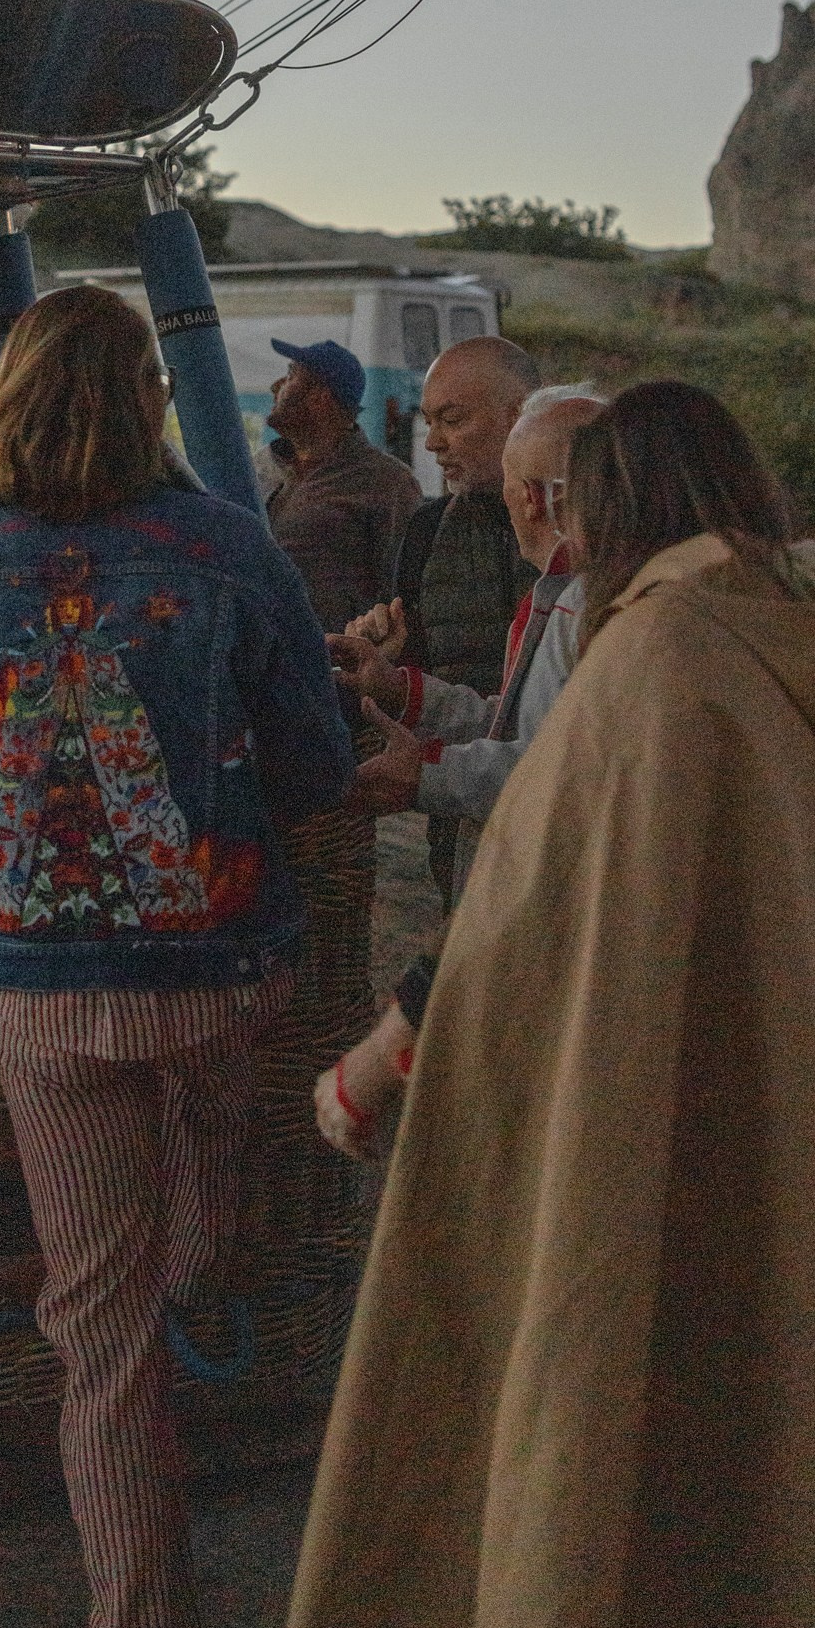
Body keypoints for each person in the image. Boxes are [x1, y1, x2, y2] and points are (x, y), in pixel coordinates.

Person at [263, 381, 815, 1628]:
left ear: (615, 501)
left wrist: (366, 1078)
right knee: (776, 1550)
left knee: (588, 1540)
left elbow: (522, 930)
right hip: (794, 1184)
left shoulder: (660, 660)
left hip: (632, 1182)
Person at [0, 284, 351, 1628]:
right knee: (197, 1191)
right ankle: (202, 1259)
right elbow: (313, 765)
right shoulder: (232, 544)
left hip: (42, 984)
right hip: (221, 971)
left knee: (103, 1352)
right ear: (154, 391)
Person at [315, 383, 604, 1154]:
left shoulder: (585, 607)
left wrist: (423, 776)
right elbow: (513, 726)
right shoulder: (570, 594)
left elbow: (548, 782)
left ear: (538, 498)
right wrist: (400, 690)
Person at [347, 333, 537, 899]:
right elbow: (427, 670)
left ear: (520, 414)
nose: (432, 443)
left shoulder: (593, 534)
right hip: (460, 819)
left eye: (452, 420)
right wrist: (388, 656)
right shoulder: (428, 532)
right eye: (427, 422)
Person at [263, 336, 421, 631]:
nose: (276, 386)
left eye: (290, 375)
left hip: (333, 664)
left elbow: (405, 590)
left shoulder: (386, 482)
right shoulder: (259, 468)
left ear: (320, 397)